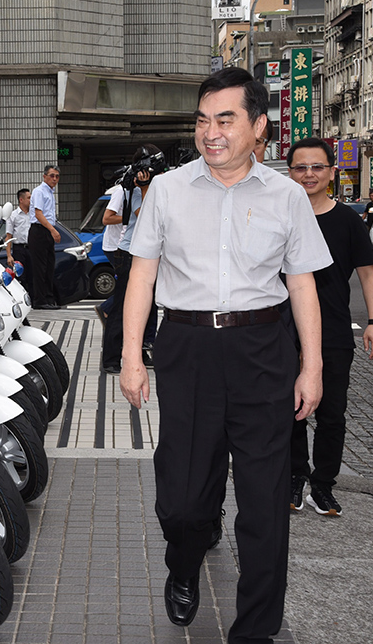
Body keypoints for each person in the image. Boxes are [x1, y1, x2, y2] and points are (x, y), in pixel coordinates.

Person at [119, 67, 331, 642]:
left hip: (263, 350)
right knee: (184, 498)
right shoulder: (167, 190)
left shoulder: (288, 196)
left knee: (264, 504)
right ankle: (183, 562)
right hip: (186, 348)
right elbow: (142, 275)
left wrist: (311, 366)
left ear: (258, 126)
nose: (210, 132)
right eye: (203, 120)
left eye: (225, 119)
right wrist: (132, 356)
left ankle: (255, 630)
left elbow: (304, 285)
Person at [286, 137, 373, 517]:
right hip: (283, 330)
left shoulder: (347, 220)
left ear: (331, 171)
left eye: (317, 167)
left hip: (335, 332)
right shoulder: (280, 215)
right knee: (288, 411)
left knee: (332, 414)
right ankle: (294, 477)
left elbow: (368, 274)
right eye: (300, 167)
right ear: (290, 171)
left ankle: (323, 486)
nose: (308, 174)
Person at [101, 165, 153, 373]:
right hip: (129, 253)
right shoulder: (132, 191)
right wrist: (145, 187)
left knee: (145, 308)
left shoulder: (144, 190)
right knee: (122, 307)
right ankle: (111, 359)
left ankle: (140, 352)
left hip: (145, 253)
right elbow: (147, 215)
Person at [28, 164, 62, 310]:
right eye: (52, 175)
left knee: (49, 266)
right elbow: (38, 213)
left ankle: (48, 298)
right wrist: (52, 230)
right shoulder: (39, 191)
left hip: (46, 231)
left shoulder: (50, 192)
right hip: (39, 230)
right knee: (40, 267)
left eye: (57, 176)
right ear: (44, 176)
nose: (54, 179)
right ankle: (39, 300)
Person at [95, 180, 126, 325]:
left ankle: (110, 311)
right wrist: (128, 219)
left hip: (123, 246)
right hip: (115, 247)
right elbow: (106, 218)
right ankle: (107, 309)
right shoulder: (120, 191)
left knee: (127, 283)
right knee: (128, 284)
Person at [5, 189, 33, 297]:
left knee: (33, 275)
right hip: (19, 248)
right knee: (21, 276)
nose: (31, 200)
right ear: (21, 200)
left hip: (32, 248)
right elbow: (8, 236)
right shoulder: (13, 216)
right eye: (28, 198)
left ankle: (33, 300)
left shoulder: (34, 214)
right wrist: (9, 255)